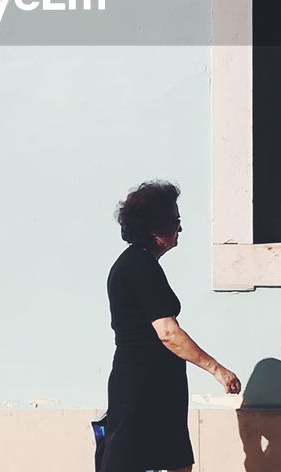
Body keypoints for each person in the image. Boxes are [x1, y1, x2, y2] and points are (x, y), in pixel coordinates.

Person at [102, 181, 241, 472]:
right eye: (176, 222)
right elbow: (167, 333)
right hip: (141, 387)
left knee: (177, 462)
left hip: (158, 385)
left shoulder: (140, 264)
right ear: (156, 228)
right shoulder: (139, 266)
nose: (180, 229)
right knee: (132, 463)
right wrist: (218, 370)